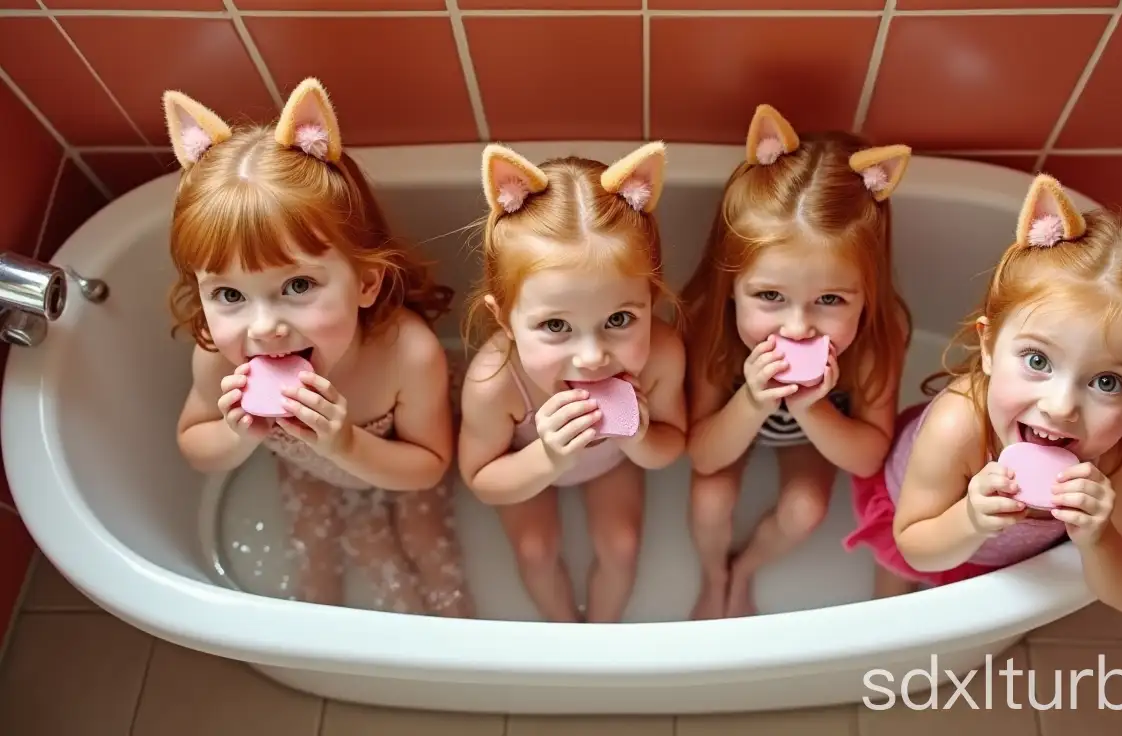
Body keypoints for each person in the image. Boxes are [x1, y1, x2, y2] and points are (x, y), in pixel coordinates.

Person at [846, 172, 1122, 611]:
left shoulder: (1121, 455)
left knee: (965, 606)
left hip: (994, 559)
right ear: (988, 347)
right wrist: (970, 519)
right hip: (924, 520)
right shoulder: (957, 426)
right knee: (896, 577)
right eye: (1038, 361)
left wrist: (1100, 539)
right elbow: (915, 545)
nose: (1059, 408)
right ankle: (885, 608)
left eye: (1107, 382)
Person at [168, 78, 471, 617]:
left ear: (366, 284)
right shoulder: (217, 351)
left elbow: (429, 465)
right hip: (307, 470)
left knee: (429, 546)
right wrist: (238, 436)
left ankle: (458, 650)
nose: (265, 328)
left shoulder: (407, 354)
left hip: (393, 462)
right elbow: (194, 444)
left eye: (299, 287)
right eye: (230, 294)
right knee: (314, 560)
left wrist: (345, 444)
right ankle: (327, 643)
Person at [681, 104, 913, 618]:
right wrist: (751, 399)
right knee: (709, 502)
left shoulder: (877, 338)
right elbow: (703, 455)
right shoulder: (712, 328)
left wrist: (813, 409)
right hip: (734, 429)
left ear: (866, 294)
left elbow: (867, 457)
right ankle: (713, 572)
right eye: (769, 296)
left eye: (831, 301)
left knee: (805, 511)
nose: (798, 328)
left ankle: (746, 568)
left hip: (810, 438)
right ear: (732, 288)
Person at [457, 142, 687, 623]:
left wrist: (639, 435)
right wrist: (548, 457)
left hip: (612, 461)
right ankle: (562, 631)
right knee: (536, 551)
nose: (592, 357)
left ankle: (600, 637)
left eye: (620, 318)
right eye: (556, 327)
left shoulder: (661, 355)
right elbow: (481, 480)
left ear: (652, 302)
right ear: (505, 321)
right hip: (525, 466)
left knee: (622, 546)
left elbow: (671, 446)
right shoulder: (494, 382)